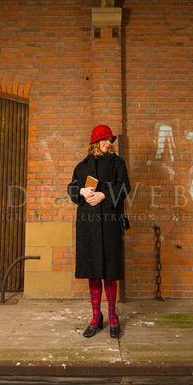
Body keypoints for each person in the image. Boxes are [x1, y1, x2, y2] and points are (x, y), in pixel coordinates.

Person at [67, 124, 131, 338]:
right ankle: (96, 317)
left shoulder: (117, 163)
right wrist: (81, 190)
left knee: (109, 272)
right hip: (88, 224)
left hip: (110, 222)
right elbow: (71, 187)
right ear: (94, 142)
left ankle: (113, 316)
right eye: (103, 139)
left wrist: (104, 195)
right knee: (93, 271)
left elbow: (125, 185)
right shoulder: (82, 166)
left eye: (109, 140)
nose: (108, 143)